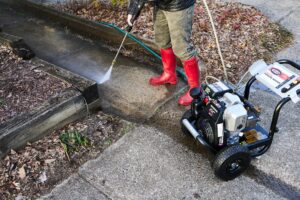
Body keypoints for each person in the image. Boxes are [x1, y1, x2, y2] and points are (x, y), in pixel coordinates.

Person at [127, 0, 200, 106]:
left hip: (179, 5)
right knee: (162, 41)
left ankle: (196, 90)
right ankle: (169, 75)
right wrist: (132, 10)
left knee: (182, 49)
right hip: (160, 4)